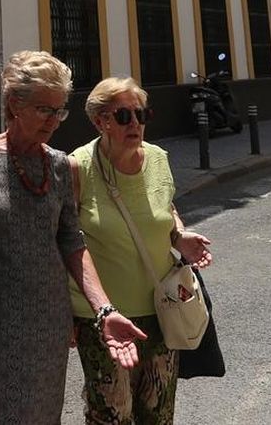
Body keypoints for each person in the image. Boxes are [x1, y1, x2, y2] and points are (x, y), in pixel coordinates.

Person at [0, 50, 146, 424]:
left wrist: (103, 309)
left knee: (45, 414)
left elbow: (71, 242)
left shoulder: (61, 166)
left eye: (60, 110)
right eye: (44, 109)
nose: (54, 121)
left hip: (50, 318)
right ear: (15, 103)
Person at [69, 77, 213, 424]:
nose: (135, 123)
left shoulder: (159, 159)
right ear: (99, 120)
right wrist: (64, 313)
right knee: (111, 414)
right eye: (123, 116)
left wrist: (179, 237)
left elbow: (167, 207)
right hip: (102, 320)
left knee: (159, 412)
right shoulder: (78, 167)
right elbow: (65, 240)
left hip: (163, 311)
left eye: (141, 114)